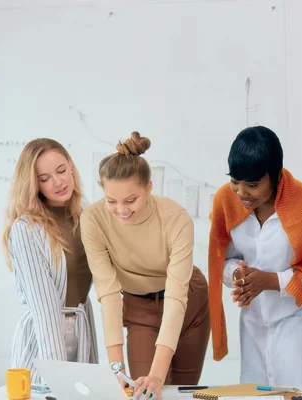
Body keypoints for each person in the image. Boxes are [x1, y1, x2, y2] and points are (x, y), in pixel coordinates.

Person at [81, 131, 209, 400]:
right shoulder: (92, 220)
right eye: (111, 201)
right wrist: (116, 368)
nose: (121, 210)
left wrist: (158, 375)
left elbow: (176, 298)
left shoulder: (176, 218)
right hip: (138, 305)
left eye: (130, 200)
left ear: (149, 188)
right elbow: (108, 293)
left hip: (187, 300)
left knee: (178, 393)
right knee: (140, 392)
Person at [208, 126, 302, 386]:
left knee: (298, 391)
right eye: (235, 181)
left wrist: (270, 281)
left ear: (277, 175)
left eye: (253, 185)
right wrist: (237, 274)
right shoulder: (226, 200)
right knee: (254, 392)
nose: (242, 193)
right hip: (253, 325)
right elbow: (222, 257)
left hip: (301, 323)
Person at [3, 139, 98, 390]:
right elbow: (45, 310)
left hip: (82, 330)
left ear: (70, 166)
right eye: (44, 178)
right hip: (44, 342)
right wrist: (60, 380)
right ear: (33, 184)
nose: (58, 182)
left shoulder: (86, 216)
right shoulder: (26, 229)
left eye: (61, 171)